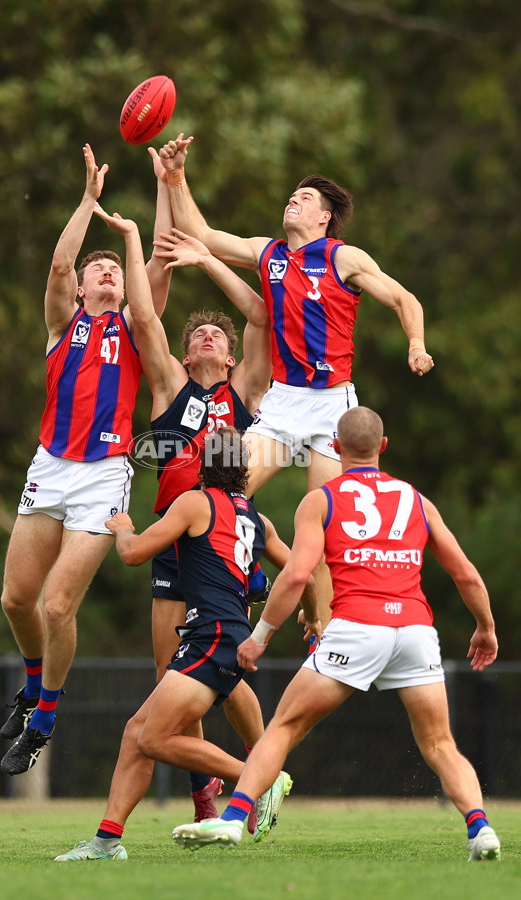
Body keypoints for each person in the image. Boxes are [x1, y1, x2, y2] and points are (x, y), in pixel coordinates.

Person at [172, 407, 501, 863]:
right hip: (414, 630)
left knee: (283, 729)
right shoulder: (416, 500)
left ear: (337, 448)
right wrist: (484, 627)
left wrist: (261, 635)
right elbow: (465, 574)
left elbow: (294, 576)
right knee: (441, 744)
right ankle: (480, 830)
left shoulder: (321, 500)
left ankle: (232, 820)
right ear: (382, 447)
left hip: (357, 630)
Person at [158, 135, 435, 625]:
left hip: (332, 406)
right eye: (292, 195)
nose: (294, 199)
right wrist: (177, 175)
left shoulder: (343, 257)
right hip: (283, 403)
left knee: (327, 526)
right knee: (217, 490)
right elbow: (199, 229)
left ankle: (323, 632)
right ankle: (247, 583)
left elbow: (404, 299)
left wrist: (416, 344)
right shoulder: (269, 253)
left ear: (324, 217)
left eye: (305, 198)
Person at [54, 427, 316, 861]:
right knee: (136, 732)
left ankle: (260, 778)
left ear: (202, 465)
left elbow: (134, 553)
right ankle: (106, 841)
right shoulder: (256, 518)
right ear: (244, 470)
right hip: (224, 635)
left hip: (211, 637)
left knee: (154, 740)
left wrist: (122, 528)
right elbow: (300, 570)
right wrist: (313, 612)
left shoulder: (195, 502)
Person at [87, 211, 273, 823]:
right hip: (172, 532)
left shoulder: (245, 390)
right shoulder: (170, 387)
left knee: (225, 663)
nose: (207, 340)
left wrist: (209, 259)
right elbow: (144, 318)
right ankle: (204, 795)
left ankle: (261, 769)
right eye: (197, 336)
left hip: (222, 538)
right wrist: (148, 241)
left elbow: (260, 318)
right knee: (173, 669)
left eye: (214, 336)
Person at [0, 144, 173, 775]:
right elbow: (59, 262)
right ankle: (32, 682)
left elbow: (156, 264)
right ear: (78, 287)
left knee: (56, 606)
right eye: (94, 271)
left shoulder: (134, 326)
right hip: (49, 467)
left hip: (104, 475)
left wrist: (159, 190)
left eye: (113, 272)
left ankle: (44, 716)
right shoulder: (61, 325)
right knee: (16, 600)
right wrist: (89, 202)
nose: (104, 274)